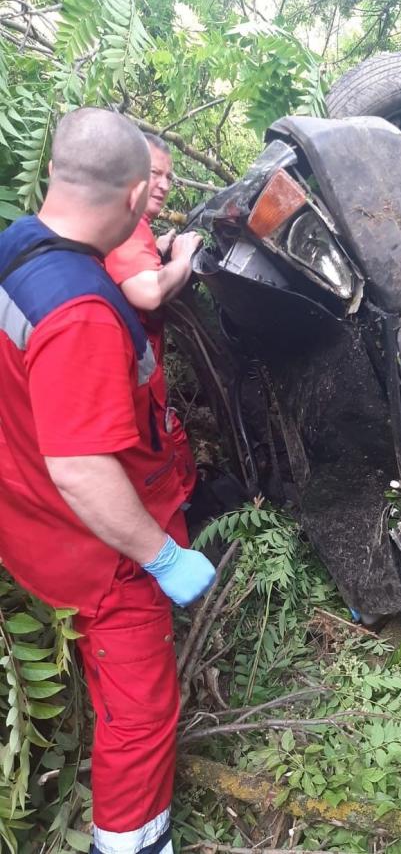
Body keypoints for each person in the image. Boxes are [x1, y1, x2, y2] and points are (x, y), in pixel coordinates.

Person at [0, 107, 215, 854]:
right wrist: (162, 556)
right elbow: (83, 468)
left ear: (56, 171)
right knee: (141, 712)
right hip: (100, 554)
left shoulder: (15, 250)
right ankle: (128, 842)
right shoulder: (82, 311)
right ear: (133, 201)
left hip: (27, 522)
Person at [105, 133, 201, 500]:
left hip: (132, 379)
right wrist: (183, 259)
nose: (162, 186)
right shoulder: (128, 224)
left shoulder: (130, 227)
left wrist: (157, 251)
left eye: (168, 177)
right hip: (133, 388)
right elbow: (148, 293)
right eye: (153, 174)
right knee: (157, 463)